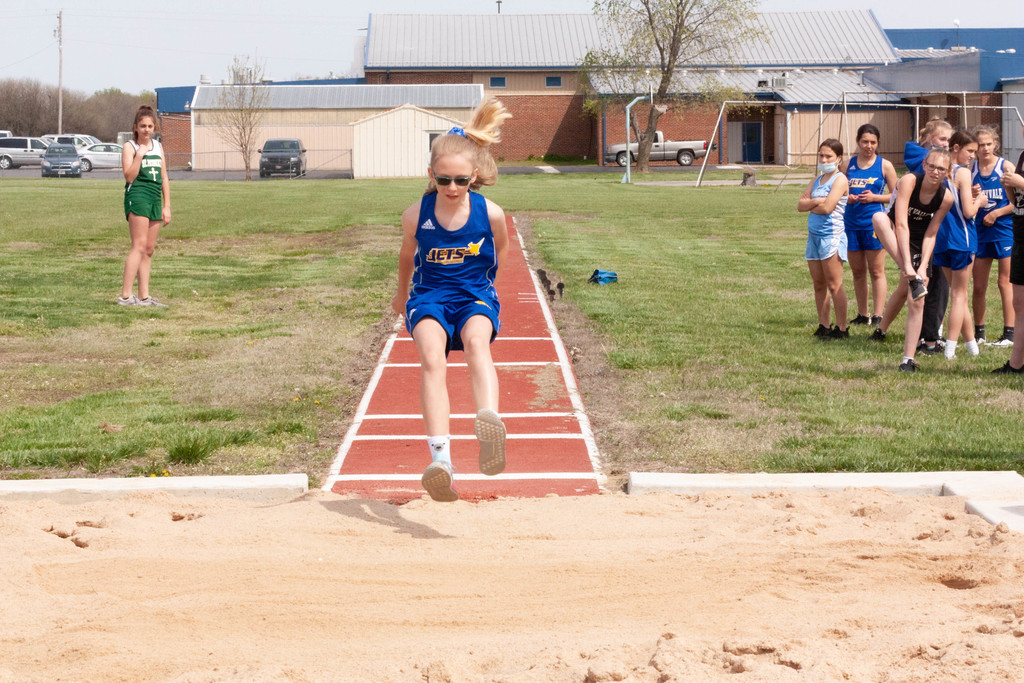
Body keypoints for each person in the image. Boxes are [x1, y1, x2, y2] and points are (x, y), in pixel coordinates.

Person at [391, 98, 512, 502]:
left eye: (461, 180)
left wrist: (490, 287)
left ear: (474, 175)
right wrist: (400, 294)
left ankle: (489, 421)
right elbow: (406, 255)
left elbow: (502, 248)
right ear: (431, 175)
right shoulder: (415, 215)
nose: (453, 188)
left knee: (477, 343)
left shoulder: (490, 213)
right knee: (432, 359)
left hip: (474, 294)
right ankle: (441, 460)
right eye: (444, 180)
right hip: (429, 297)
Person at [878, 148, 954, 372]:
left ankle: (907, 360)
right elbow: (901, 224)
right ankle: (910, 276)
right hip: (896, 234)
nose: (935, 171)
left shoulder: (946, 197)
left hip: (921, 242)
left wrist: (921, 267)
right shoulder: (909, 181)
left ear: (948, 172)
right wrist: (908, 266)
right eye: (932, 166)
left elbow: (932, 233)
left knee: (916, 300)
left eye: (941, 169)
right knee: (878, 217)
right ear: (924, 165)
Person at [933, 130, 987, 359]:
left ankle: (972, 346)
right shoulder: (962, 172)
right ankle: (950, 348)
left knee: (959, 295)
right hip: (962, 238)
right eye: (970, 150)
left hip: (941, 238)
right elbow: (968, 211)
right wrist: (980, 201)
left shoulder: (936, 170)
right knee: (958, 295)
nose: (973, 156)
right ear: (956, 148)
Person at [842, 123, 897, 327]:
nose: (869, 146)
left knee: (876, 271)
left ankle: (878, 315)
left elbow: (897, 194)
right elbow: (838, 191)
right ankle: (862, 314)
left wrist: (875, 198)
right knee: (858, 272)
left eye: (873, 142)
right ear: (858, 142)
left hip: (874, 225)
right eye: (865, 141)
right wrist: (847, 198)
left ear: (878, 143)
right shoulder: (847, 165)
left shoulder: (885, 165)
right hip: (851, 224)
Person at [119, 105, 170, 307]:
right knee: (138, 246)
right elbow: (129, 177)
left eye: (150, 126)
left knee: (148, 249)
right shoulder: (129, 147)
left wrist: (167, 206)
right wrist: (139, 155)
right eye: (143, 126)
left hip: (155, 198)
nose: (147, 130)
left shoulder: (157, 146)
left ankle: (144, 297)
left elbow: (164, 176)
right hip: (138, 196)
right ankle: (125, 296)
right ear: (135, 127)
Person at [798, 139, 850, 339]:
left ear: (838, 159)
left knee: (834, 285)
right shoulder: (815, 180)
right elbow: (800, 206)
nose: (824, 159)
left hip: (831, 237)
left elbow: (828, 208)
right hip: (814, 238)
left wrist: (812, 205)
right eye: (821, 155)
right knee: (818, 284)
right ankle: (824, 325)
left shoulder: (840, 179)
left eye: (829, 156)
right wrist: (816, 201)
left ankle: (842, 328)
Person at [971, 125, 1016, 347]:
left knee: (1005, 282)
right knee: (979, 285)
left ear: (995, 144)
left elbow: (1017, 202)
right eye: (981, 145)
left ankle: (1009, 333)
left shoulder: (1005, 166)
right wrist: (971, 196)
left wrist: (997, 213)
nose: (985, 148)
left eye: (989, 144)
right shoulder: (970, 169)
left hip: (1003, 230)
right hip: (980, 231)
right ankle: (979, 333)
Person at [992, 124, 1024, 374]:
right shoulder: (1022, 156)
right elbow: (1017, 202)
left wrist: (1020, 181)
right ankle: (1016, 364)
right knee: (1019, 303)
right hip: (1020, 233)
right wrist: (1008, 187)